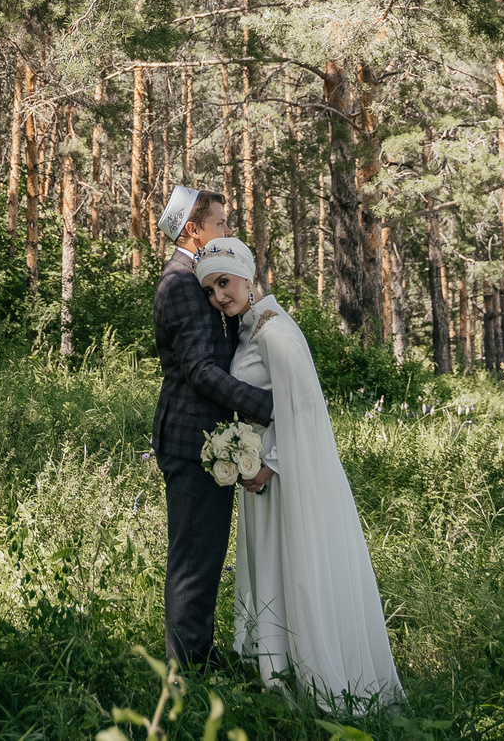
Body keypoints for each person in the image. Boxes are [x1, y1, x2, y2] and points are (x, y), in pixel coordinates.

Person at [195, 236, 401, 706]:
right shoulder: (252, 327)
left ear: (247, 276)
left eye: (224, 283)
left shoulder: (274, 332)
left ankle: (315, 676)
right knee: (269, 564)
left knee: (292, 564)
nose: (218, 297)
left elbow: (304, 409)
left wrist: (266, 465)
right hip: (262, 477)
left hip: (282, 478)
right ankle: (275, 665)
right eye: (210, 290)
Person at [152, 187, 274, 672]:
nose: (227, 231)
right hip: (191, 438)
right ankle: (184, 673)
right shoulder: (180, 284)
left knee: (205, 556)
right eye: (220, 223)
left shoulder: (198, 277)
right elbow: (200, 370)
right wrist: (265, 405)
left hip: (209, 439)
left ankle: (196, 653)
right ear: (192, 230)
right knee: (193, 562)